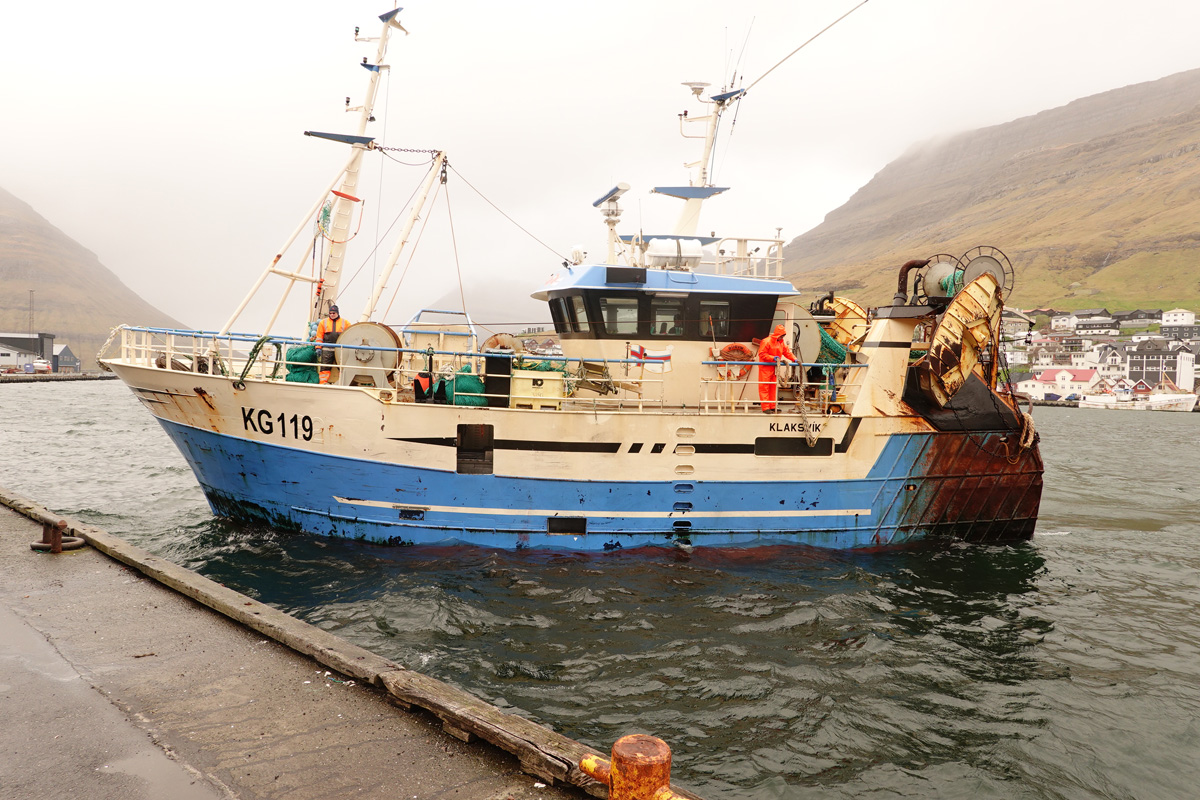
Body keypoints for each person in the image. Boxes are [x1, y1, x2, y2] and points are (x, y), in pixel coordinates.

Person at [756, 324, 796, 413]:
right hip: (765, 368)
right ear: (778, 335)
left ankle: (772, 406)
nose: (782, 337)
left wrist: (794, 359)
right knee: (764, 388)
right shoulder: (766, 341)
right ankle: (766, 408)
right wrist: (772, 358)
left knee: (773, 387)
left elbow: (787, 352)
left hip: (773, 368)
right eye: (782, 336)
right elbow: (762, 354)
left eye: (783, 336)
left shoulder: (781, 342)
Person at [313, 304, 349, 384]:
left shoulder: (345, 323)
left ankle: (343, 383)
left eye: (334, 313)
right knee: (325, 368)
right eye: (331, 313)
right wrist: (318, 348)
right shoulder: (323, 323)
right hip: (327, 349)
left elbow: (350, 335)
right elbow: (319, 337)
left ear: (337, 313)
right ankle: (322, 383)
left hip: (340, 350)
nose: (332, 315)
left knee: (342, 368)